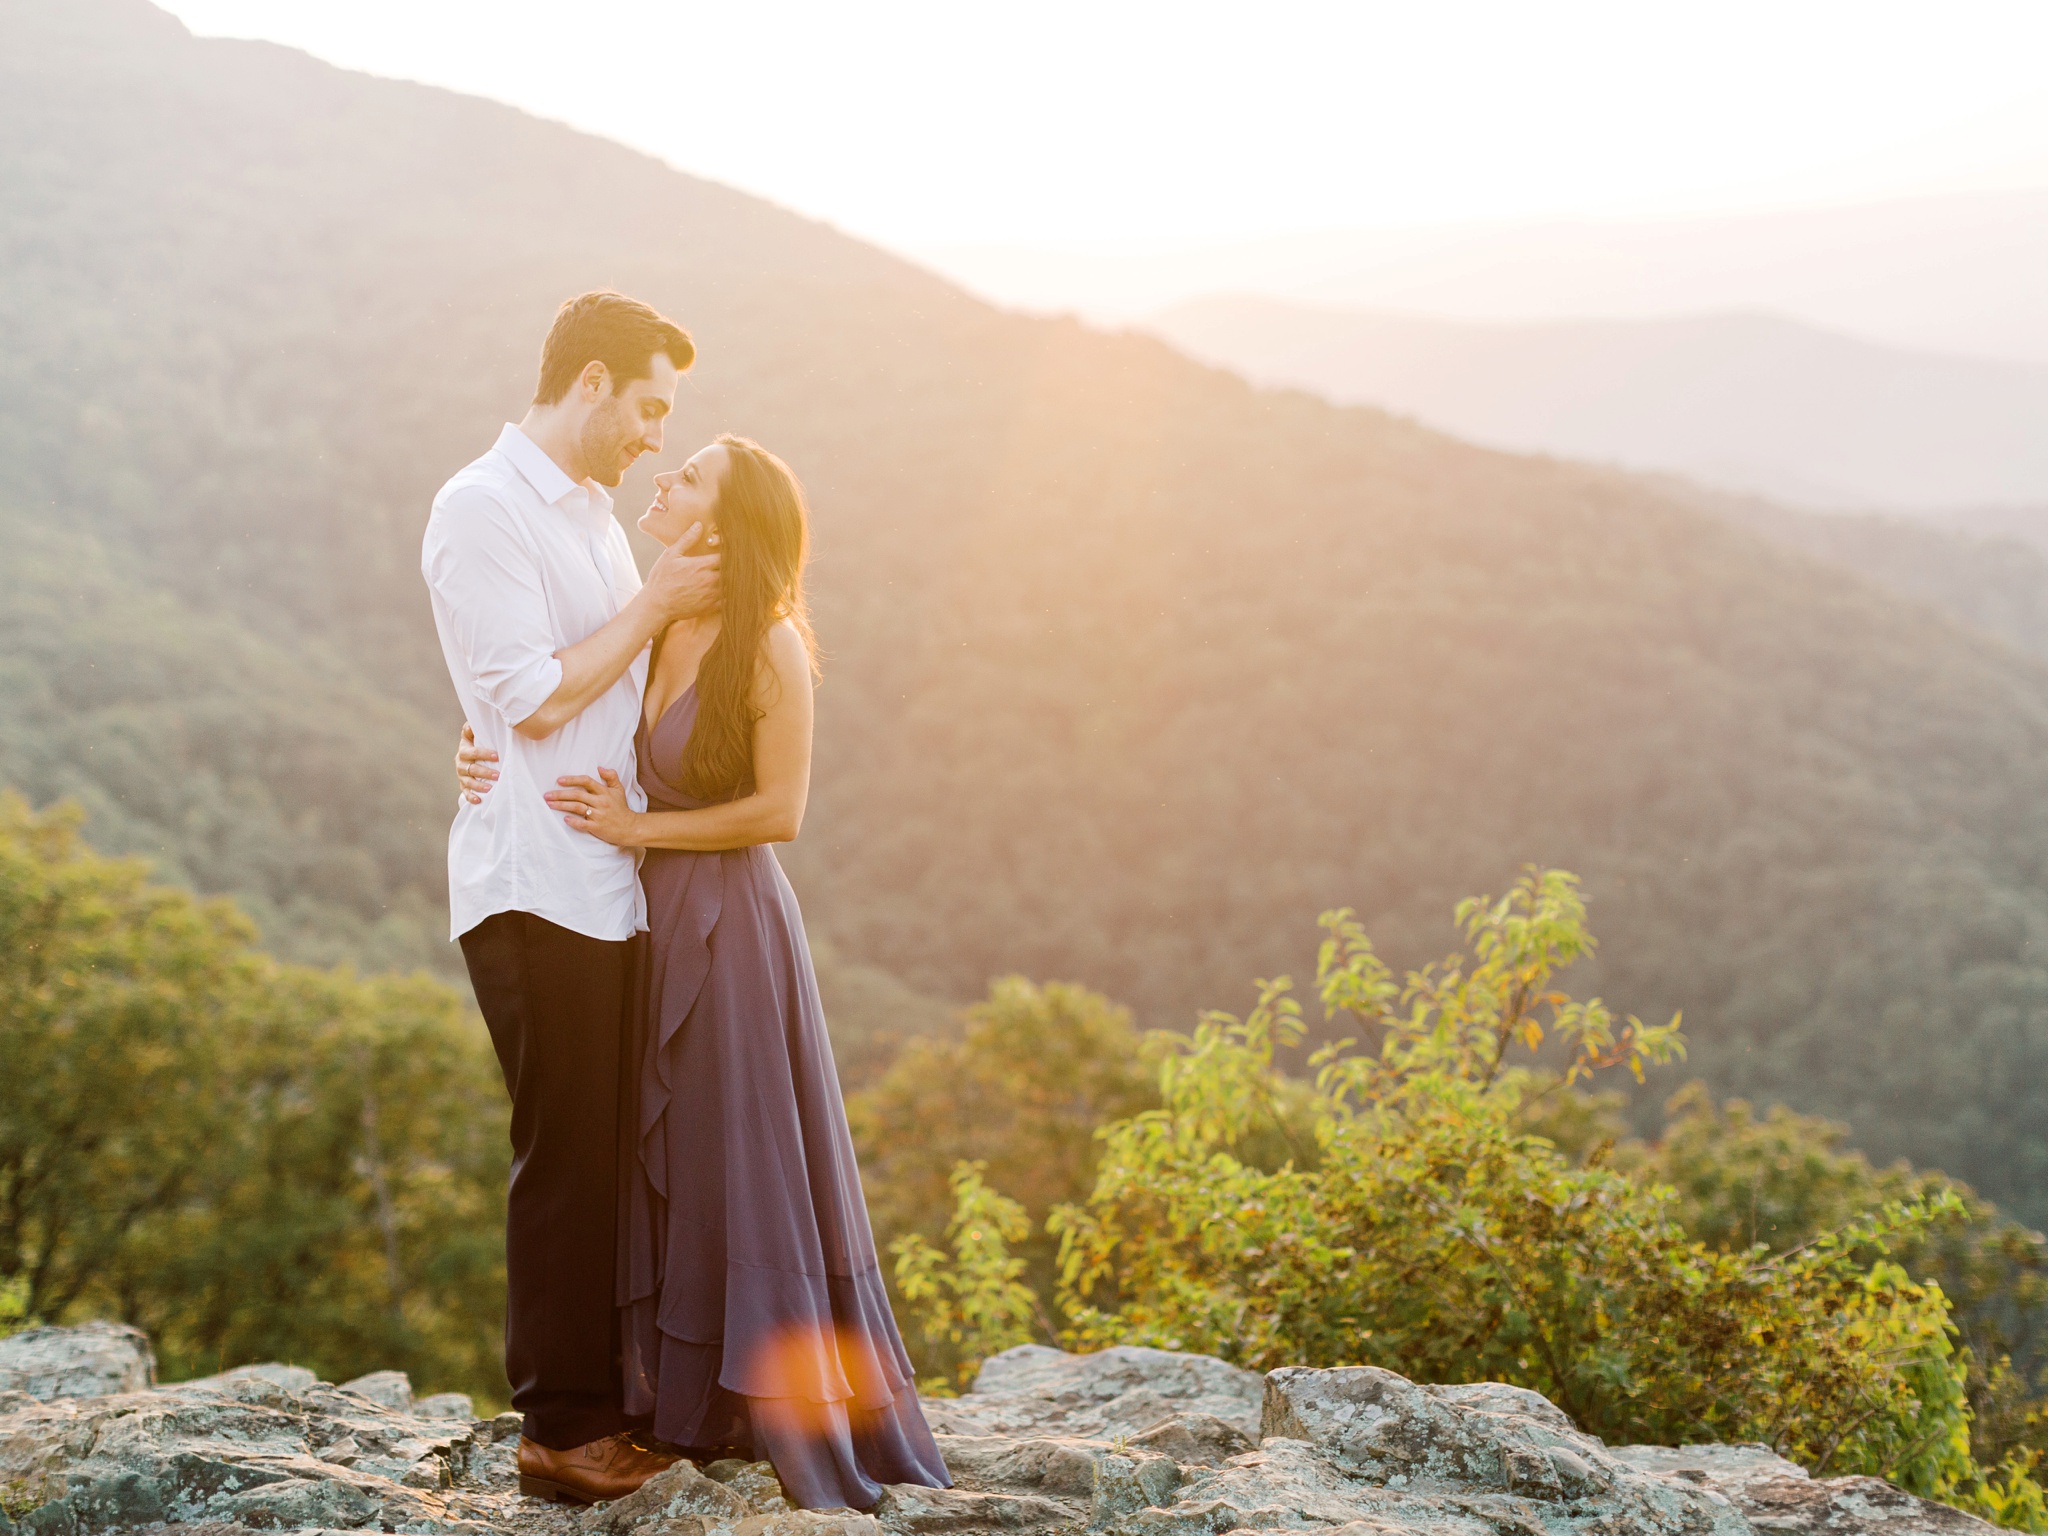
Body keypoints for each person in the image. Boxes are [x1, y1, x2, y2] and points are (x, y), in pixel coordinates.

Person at [456, 436, 952, 1513]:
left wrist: (639, 826)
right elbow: (548, 696)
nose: (660, 481)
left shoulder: (767, 646)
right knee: (659, 1153)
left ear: (719, 526)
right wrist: (480, 747)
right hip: (640, 919)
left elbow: (782, 813)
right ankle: (674, 1402)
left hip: (728, 923)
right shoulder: (654, 618)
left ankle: (775, 1404)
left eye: (684, 478)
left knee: (737, 1155)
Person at [421, 290, 720, 1506]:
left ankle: (608, 1401)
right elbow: (534, 695)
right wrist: (650, 607)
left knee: (607, 1154)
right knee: (562, 1155)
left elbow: (558, 698)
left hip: (603, 879)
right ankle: (560, 1428)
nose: (655, 433)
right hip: (529, 883)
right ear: (591, 382)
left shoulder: (594, 516)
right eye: (648, 404)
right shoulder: (479, 507)